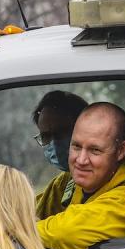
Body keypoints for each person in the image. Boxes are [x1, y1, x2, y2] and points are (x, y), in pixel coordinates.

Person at [37, 102, 125, 249]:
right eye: (76, 147)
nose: (81, 160)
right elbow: (32, 207)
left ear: (121, 151)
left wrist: (19, 231)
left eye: (95, 150)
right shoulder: (69, 182)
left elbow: (66, 232)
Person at [33, 90, 87, 220]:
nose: (55, 144)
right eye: (46, 136)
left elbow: (71, 229)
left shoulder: (121, 183)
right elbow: (34, 208)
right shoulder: (64, 182)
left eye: (61, 133)